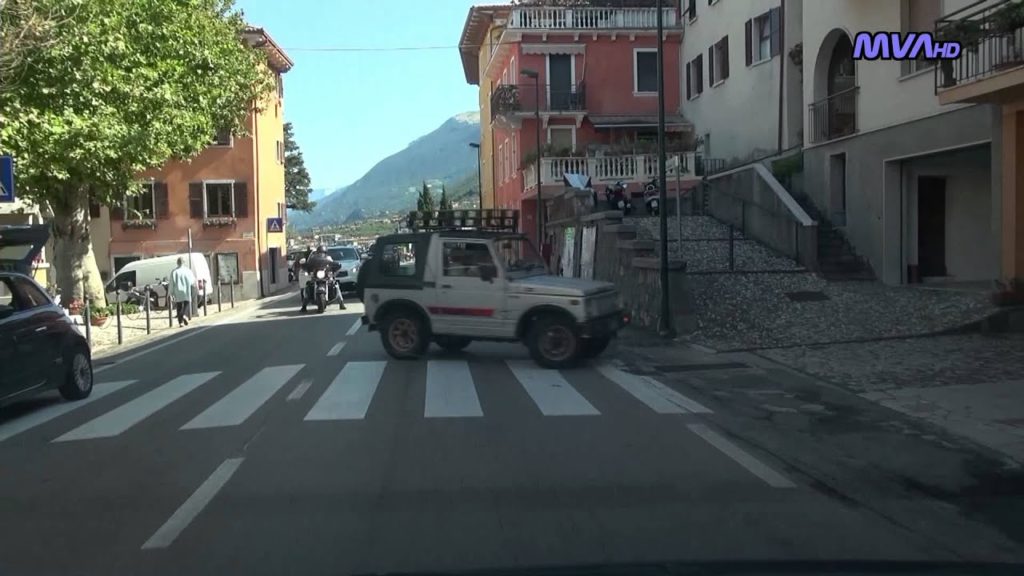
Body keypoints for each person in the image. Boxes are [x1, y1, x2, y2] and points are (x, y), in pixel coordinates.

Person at [169, 257, 197, 327]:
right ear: (183, 263)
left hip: (177, 291)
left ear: (177, 263)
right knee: (187, 303)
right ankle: (184, 314)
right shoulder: (188, 271)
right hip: (186, 290)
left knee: (179, 306)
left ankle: (180, 322)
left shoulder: (174, 272)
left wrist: (170, 293)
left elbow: (171, 283)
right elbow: (192, 281)